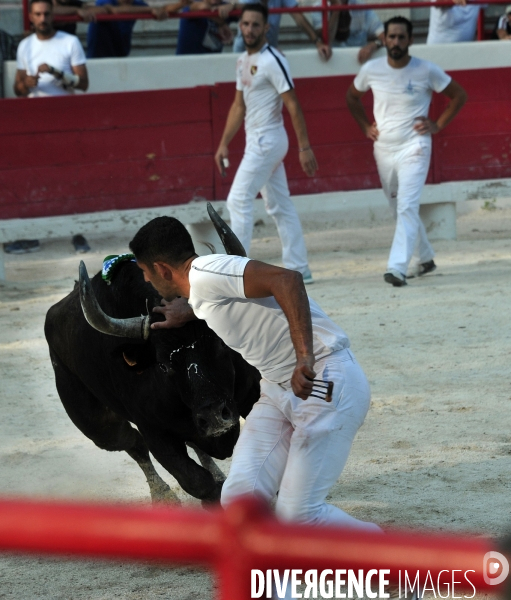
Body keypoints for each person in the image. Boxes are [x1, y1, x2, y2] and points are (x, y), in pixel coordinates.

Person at [128, 216, 381, 537]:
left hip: (322, 378)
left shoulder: (207, 273)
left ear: (162, 269)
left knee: (299, 516)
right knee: (239, 503)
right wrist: (189, 310)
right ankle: (271, 587)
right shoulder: (203, 285)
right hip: (278, 390)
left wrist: (305, 355)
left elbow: (287, 280)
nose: (148, 281)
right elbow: (229, 296)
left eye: (146, 272)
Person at [346, 16, 467, 287]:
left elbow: (459, 95)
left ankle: (396, 267)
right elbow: (351, 97)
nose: (397, 42)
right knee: (397, 207)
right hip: (384, 149)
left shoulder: (426, 69)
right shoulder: (371, 69)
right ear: (385, 39)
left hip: (415, 145)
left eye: (402, 37)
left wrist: (437, 124)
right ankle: (425, 257)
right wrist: (365, 125)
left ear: (411, 40)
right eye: (392, 37)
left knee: (407, 206)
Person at [215, 3, 317, 284]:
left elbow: (293, 104)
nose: (249, 29)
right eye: (245, 24)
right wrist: (224, 143)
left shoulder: (273, 60)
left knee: (238, 199)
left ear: (266, 28)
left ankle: (238, 269)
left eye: (255, 25)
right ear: (240, 26)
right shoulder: (241, 61)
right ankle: (300, 267)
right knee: (279, 205)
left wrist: (305, 147)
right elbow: (238, 106)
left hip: (268, 139)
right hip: (257, 140)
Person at [12, 0, 90, 255]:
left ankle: (77, 233)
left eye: (46, 13)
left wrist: (57, 73)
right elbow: (17, 89)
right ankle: (35, 234)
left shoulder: (69, 42)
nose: (43, 18)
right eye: (38, 14)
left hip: (66, 118)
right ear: (31, 17)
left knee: (71, 177)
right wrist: (28, 84)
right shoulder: (25, 46)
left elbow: (83, 83)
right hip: (35, 119)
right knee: (36, 177)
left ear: (52, 14)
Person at [232, 0, 332, 60]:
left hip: (269, 52)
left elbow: (298, 17)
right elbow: (252, 25)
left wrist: (318, 43)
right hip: (245, 51)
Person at [87, 0, 184, 58]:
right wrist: (150, 10)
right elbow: (114, 10)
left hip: (121, 55)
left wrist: (182, 4)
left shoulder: (137, 4)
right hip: (98, 57)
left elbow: (162, 8)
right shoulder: (105, 2)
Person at [310, 0, 384, 64]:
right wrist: (336, 9)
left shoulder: (360, 6)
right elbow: (326, 41)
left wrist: (372, 45)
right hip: (331, 64)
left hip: (360, 63)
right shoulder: (319, 7)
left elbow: (385, 36)